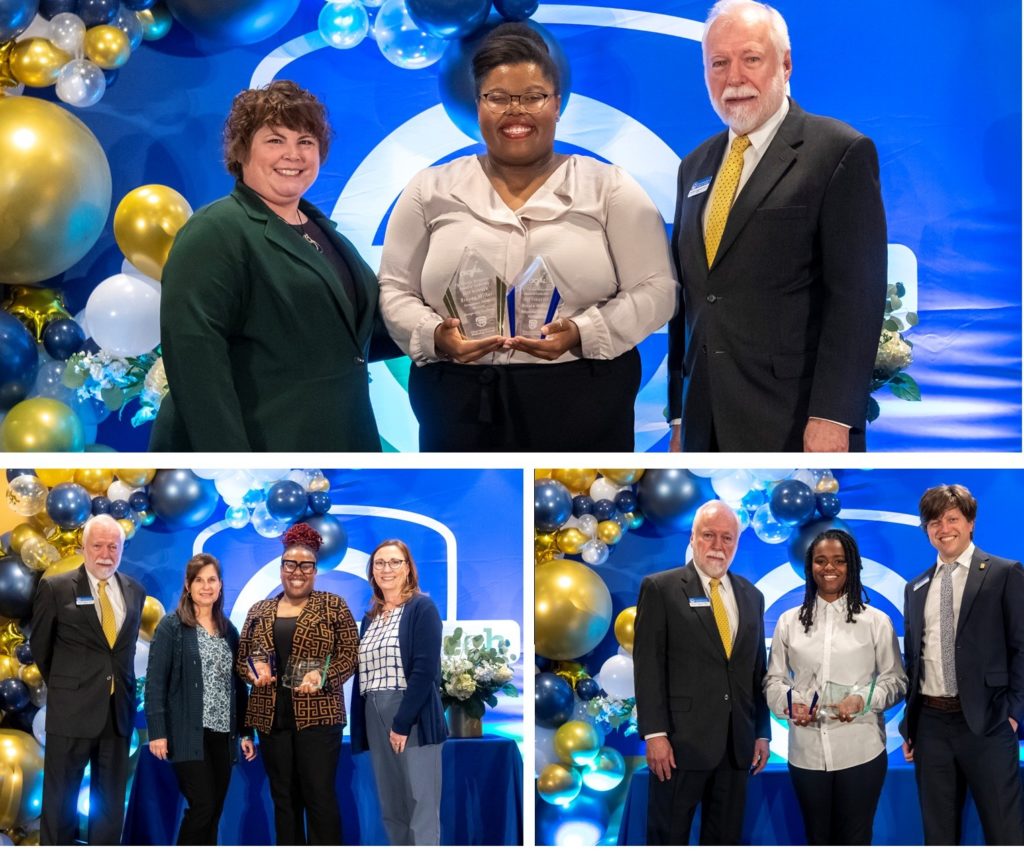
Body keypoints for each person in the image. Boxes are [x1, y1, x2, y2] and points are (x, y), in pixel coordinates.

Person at [379, 23, 676, 452]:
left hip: (584, 399)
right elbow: (394, 288)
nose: (515, 111)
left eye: (534, 96)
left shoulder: (609, 187)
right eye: (497, 97)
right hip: (457, 401)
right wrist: (433, 336)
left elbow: (656, 290)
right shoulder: (429, 188)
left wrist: (583, 331)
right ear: (477, 104)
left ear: (557, 104)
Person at [666, 0, 887, 452]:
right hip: (704, 420)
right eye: (718, 63)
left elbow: (857, 298)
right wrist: (678, 414)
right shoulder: (694, 166)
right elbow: (689, 300)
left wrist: (833, 415)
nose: (733, 78)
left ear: (785, 65)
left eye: (751, 59)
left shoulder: (838, 151)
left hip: (794, 419)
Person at [151, 79, 397, 452]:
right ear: (242, 151)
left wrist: (433, 331)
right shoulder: (214, 231)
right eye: (275, 140)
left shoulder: (323, 232)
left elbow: (347, 339)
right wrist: (232, 465)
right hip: (263, 449)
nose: (293, 155)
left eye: (306, 142)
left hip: (339, 439)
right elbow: (195, 365)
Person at [633, 500, 770, 844]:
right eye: (709, 535)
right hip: (679, 745)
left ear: (737, 544)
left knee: (725, 839)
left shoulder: (752, 596)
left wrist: (762, 733)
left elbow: (757, 671)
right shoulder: (661, 588)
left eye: (728, 538)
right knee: (668, 838)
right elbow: (648, 665)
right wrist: (655, 735)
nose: (718, 546)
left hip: (736, 746)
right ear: (693, 538)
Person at [765, 530, 907, 844]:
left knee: (855, 840)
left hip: (861, 750)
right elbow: (774, 680)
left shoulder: (876, 621)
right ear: (810, 566)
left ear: (851, 566)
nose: (829, 568)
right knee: (817, 838)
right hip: (806, 753)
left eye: (839, 561)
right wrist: (790, 704)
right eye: (821, 560)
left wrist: (863, 699)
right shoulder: (788, 622)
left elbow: (895, 680)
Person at [900, 484, 1024, 844]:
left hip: (988, 724)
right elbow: (915, 660)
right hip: (931, 727)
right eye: (934, 522)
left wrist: (1013, 713)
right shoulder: (916, 586)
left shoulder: (1004, 573)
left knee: (1005, 832)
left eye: (952, 518)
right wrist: (912, 725)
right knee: (939, 836)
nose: (943, 528)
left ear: (970, 522)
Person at [236, 522, 359, 845]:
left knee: (319, 798)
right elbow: (241, 660)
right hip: (271, 721)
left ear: (316, 570)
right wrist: (253, 671)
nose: (298, 571)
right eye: (290, 564)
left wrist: (324, 675)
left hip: (319, 720)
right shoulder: (260, 610)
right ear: (281, 567)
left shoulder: (333, 606)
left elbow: (350, 655)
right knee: (284, 801)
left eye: (306, 565)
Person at [30, 514, 146, 845]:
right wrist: (71, 688)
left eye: (114, 546)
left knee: (110, 807)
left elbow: (121, 654)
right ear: (84, 547)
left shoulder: (134, 591)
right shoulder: (56, 588)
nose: (106, 553)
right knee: (60, 804)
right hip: (71, 715)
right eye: (98, 545)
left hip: (117, 716)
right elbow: (41, 649)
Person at [144, 553, 257, 845]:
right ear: (188, 585)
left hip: (222, 734)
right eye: (199, 580)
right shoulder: (172, 627)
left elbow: (238, 684)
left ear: (220, 585)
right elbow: (155, 683)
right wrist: (158, 732)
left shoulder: (228, 630)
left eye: (212, 580)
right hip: (187, 734)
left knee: (214, 808)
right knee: (202, 805)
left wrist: (245, 731)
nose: (206, 586)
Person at [349, 540, 447, 844]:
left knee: (420, 803)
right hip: (373, 710)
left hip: (411, 713)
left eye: (394, 562)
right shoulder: (370, 618)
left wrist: (402, 723)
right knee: (391, 806)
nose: (386, 569)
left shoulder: (421, 607)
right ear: (372, 572)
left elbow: (424, 670)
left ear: (408, 569)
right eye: (379, 563)